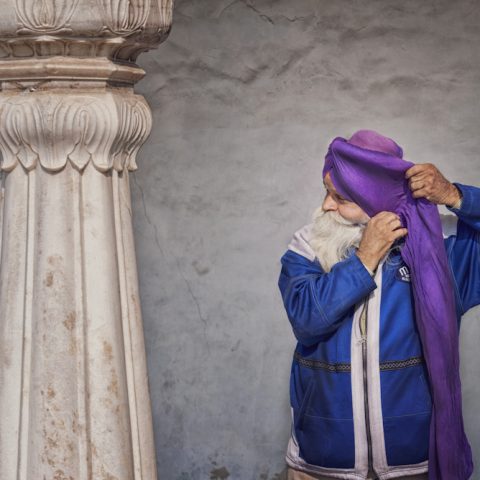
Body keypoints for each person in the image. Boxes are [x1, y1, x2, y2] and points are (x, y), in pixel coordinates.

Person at [277, 130, 480, 480]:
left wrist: (456, 196)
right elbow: (307, 319)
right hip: (321, 461)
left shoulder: (440, 248)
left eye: (338, 196)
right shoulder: (309, 245)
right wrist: (364, 258)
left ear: (373, 197)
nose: (326, 205)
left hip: (412, 461)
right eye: (326, 192)